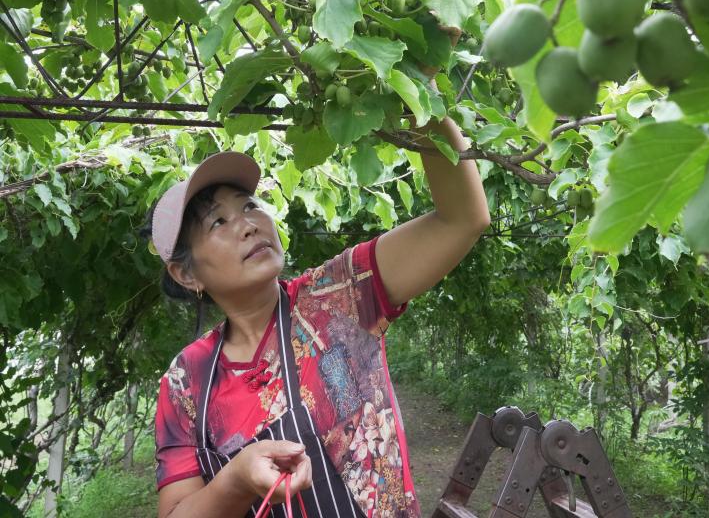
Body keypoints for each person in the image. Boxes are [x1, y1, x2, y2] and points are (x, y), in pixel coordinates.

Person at [145, 117, 490, 518]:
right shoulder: (188, 380)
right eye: (218, 222)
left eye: (250, 206)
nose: (248, 225)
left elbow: (462, 219)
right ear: (186, 274)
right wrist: (236, 479)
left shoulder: (339, 295)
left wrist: (423, 102)